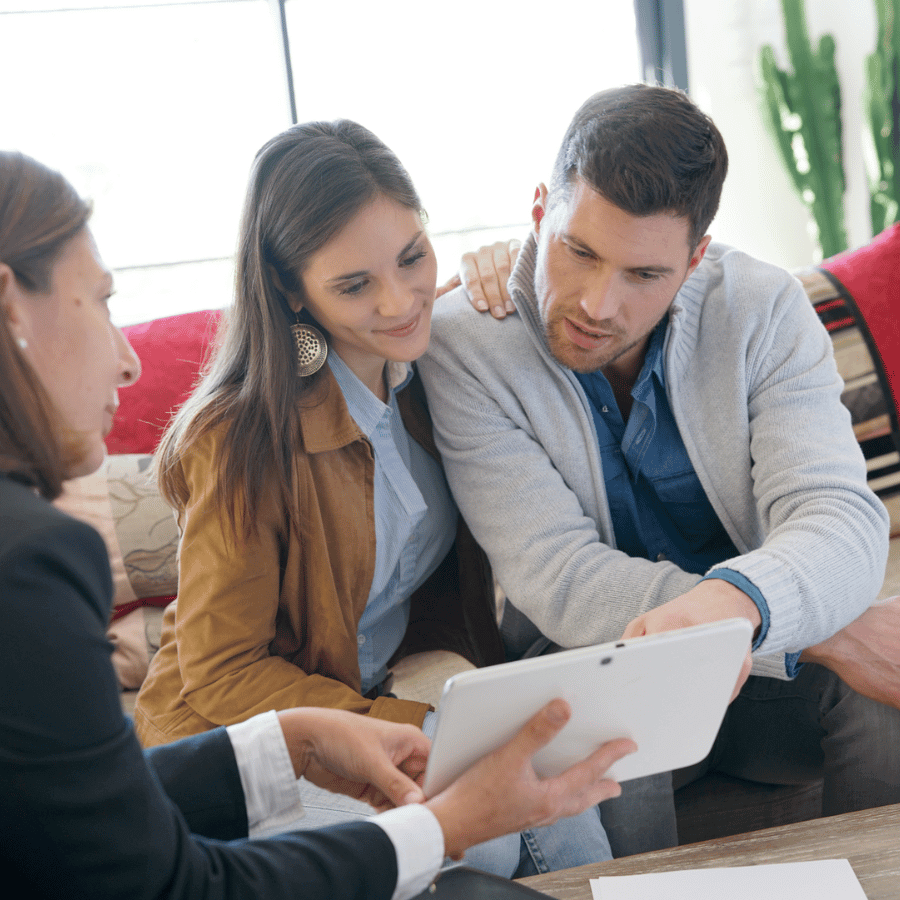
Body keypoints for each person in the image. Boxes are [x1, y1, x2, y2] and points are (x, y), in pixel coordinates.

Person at [0, 149, 637, 899]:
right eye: (355, 285)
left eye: (412, 258)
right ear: (291, 291)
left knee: (567, 795)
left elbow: (558, 296)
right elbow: (220, 671)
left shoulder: (435, 374)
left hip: (351, 711)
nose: (402, 301)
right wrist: (405, 723)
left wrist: (507, 262)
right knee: (486, 851)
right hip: (222, 731)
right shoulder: (243, 437)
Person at [418, 83, 900, 856]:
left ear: (695, 258)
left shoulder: (764, 308)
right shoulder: (465, 346)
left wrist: (745, 612)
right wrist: (805, 628)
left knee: (884, 699)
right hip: (593, 660)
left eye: (644, 275)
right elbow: (563, 581)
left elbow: (838, 518)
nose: (597, 305)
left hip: (761, 676)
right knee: (616, 695)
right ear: (540, 210)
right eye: (578, 252)